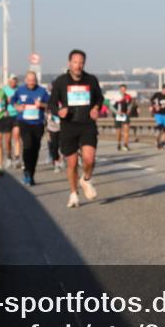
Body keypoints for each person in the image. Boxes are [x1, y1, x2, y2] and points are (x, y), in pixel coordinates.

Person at [50, 49, 104, 208]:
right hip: (69, 125)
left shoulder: (91, 80)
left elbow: (99, 98)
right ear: (69, 63)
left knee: (89, 158)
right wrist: (59, 111)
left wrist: (96, 108)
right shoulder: (60, 82)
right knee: (72, 163)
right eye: (75, 62)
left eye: (81, 63)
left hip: (87, 124)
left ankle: (86, 179)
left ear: (84, 64)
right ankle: (73, 194)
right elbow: (52, 103)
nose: (78, 66)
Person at [10, 71, 50, 186]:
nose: (31, 82)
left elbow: (50, 104)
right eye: (29, 80)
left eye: (33, 80)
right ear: (26, 80)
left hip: (38, 124)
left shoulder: (42, 91)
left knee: (35, 149)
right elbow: (12, 101)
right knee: (27, 146)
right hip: (24, 122)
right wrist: (17, 106)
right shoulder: (20, 90)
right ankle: (26, 172)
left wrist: (41, 105)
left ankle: (31, 174)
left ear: (36, 80)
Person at [3, 74, 23, 169]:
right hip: (7, 116)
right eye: (12, 81)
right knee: (7, 139)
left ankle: (17, 158)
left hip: (17, 115)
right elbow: (0, 102)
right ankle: (8, 157)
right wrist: (5, 105)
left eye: (15, 81)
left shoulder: (20, 90)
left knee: (16, 137)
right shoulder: (4, 90)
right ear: (9, 81)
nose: (13, 82)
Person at [150, 84, 165, 149]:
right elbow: (151, 101)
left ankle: (161, 142)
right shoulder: (157, 94)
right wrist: (155, 106)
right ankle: (158, 142)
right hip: (158, 114)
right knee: (160, 128)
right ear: (162, 89)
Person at [113, 84, 133, 151]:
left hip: (125, 115)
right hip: (118, 115)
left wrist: (129, 110)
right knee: (119, 132)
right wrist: (116, 112)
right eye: (122, 89)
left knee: (126, 130)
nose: (123, 91)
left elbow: (130, 104)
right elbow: (110, 106)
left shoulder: (128, 97)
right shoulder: (116, 97)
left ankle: (126, 145)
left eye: (124, 89)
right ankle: (118, 143)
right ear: (120, 89)